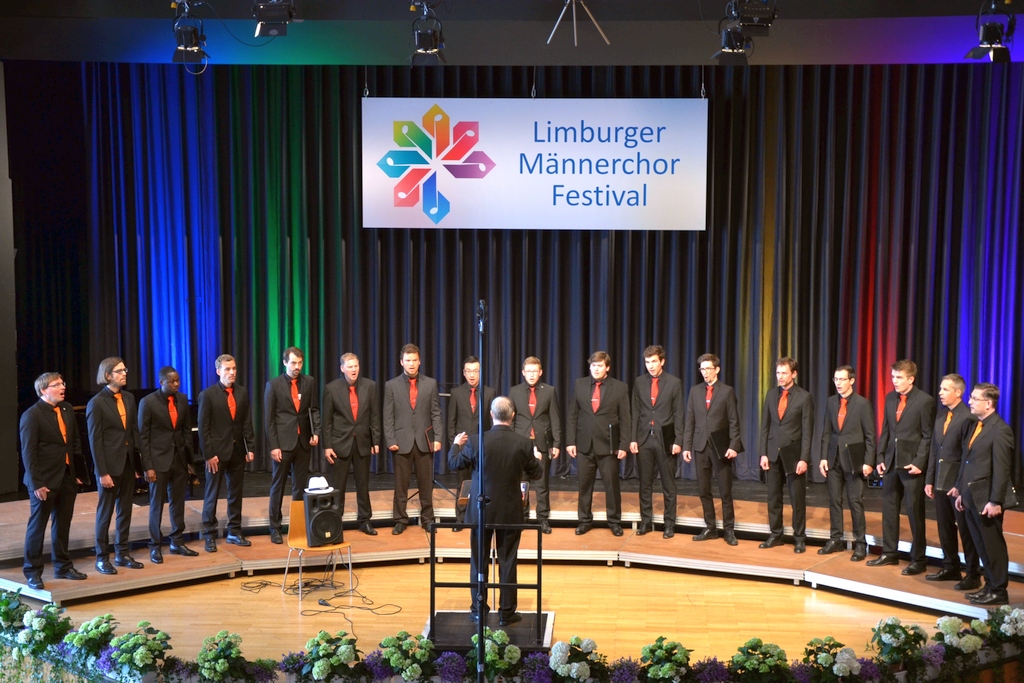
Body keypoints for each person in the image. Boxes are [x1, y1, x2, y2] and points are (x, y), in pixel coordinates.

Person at [448, 396, 542, 626]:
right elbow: (536, 473)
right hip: (509, 512)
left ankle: (478, 609)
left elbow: (454, 464)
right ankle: (507, 612)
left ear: (491, 415)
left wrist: (455, 444)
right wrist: (538, 458)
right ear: (512, 416)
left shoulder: (478, 441)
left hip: (482, 510)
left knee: (478, 561)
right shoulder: (523, 443)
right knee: (508, 560)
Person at [867, 359, 935, 574]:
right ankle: (889, 553)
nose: (894, 381)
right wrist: (880, 457)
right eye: (893, 377)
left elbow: (927, 436)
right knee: (889, 509)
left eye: (899, 378)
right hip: (890, 463)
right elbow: (886, 430)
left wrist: (919, 463)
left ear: (911, 379)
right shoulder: (890, 398)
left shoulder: (925, 401)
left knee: (915, 512)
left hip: (912, 465)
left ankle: (919, 559)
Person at [21, 372, 87, 589]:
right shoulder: (32, 415)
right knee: (38, 526)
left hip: (67, 476)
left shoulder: (67, 409)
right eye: (56, 384)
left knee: (63, 523)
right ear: (43, 390)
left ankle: (63, 566)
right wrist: (36, 483)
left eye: (62, 383)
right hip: (44, 481)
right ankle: (32, 571)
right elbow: (28, 453)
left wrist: (76, 472)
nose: (62, 387)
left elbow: (74, 442)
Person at [955, 383, 1014, 605]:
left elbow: (1001, 469)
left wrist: (995, 500)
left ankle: (999, 590)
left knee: (992, 545)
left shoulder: (1000, 430)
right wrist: (961, 491)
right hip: (971, 497)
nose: (970, 401)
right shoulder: (976, 426)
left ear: (988, 403)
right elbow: (968, 461)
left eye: (975, 398)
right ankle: (989, 585)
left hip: (987, 499)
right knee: (981, 545)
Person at [923, 374, 981, 588]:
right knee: (944, 526)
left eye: (945, 389)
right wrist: (929, 479)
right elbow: (933, 450)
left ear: (958, 392)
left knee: (965, 529)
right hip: (940, 480)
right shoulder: (941, 416)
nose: (940, 392)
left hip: (957, 483)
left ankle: (973, 573)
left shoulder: (968, 417)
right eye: (940, 388)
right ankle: (950, 567)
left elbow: (967, 456)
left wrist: (959, 485)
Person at [87, 357, 143, 574]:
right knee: (105, 513)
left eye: (125, 369)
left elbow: (133, 433)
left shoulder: (129, 398)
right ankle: (102, 557)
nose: (124, 373)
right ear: (108, 375)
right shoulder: (97, 402)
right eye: (119, 371)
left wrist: (138, 463)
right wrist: (102, 471)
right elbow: (95, 440)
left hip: (127, 463)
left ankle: (122, 553)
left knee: (125, 510)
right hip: (109, 467)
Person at [566, 351, 631, 537]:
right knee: (584, 486)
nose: (596, 369)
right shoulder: (580, 384)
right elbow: (572, 415)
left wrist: (624, 444)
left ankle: (614, 521)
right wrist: (571, 441)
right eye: (593, 365)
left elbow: (626, 419)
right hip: (584, 445)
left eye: (600, 365)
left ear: (607, 368)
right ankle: (584, 520)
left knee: (611, 486)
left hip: (609, 445)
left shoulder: (619, 388)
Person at [138, 366, 198, 563]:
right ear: (161, 382)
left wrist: (189, 461)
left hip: (179, 460)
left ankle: (177, 542)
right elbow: (143, 438)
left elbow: (186, 431)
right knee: (157, 504)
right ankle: (155, 546)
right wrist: (148, 466)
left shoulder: (181, 399)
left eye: (178, 380)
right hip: (158, 462)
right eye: (172, 381)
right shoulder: (148, 403)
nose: (177, 384)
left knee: (178, 502)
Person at [682, 353, 742, 545]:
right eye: (702, 369)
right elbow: (690, 420)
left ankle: (729, 529)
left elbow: (734, 421)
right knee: (703, 489)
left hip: (721, 447)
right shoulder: (695, 391)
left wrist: (734, 445)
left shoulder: (727, 391)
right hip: (700, 446)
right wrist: (687, 446)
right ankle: (710, 527)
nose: (705, 372)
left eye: (708, 368)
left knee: (725, 490)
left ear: (717, 369)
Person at [383, 343, 443, 534]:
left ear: (420, 362)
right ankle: (400, 519)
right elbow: (388, 415)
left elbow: (436, 413)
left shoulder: (430, 383)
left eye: (414, 360)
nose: (411, 364)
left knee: (426, 484)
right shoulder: (391, 385)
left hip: (425, 441)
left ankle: (427, 519)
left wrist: (438, 437)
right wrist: (390, 439)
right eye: (407, 360)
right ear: (401, 362)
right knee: (401, 484)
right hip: (401, 442)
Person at [198, 354, 256, 552]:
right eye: (227, 369)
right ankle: (209, 534)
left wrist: (250, 447)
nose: (232, 372)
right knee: (212, 494)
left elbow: (246, 422)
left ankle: (234, 531)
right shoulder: (208, 395)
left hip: (237, 451)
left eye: (234, 369)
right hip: (216, 453)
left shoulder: (241, 392)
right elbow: (203, 428)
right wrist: (208, 454)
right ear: (218, 371)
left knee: (235, 493)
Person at [817, 365, 875, 561]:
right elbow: (826, 432)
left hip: (854, 460)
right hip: (834, 458)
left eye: (842, 379)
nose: (838, 384)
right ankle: (835, 539)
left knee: (855, 501)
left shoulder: (862, 404)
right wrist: (823, 457)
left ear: (852, 380)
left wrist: (869, 461)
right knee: (834, 500)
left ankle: (860, 543)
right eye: (836, 379)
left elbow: (870, 435)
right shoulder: (831, 402)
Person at [758, 357, 813, 553]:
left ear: (794, 374)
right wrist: (763, 453)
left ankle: (799, 538)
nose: (780, 377)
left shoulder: (804, 397)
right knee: (773, 497)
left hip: (794, 455)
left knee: (797, 498)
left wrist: (804, 458)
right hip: (772, 453)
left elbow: (807, 431)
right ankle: (776, 534)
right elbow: (765, 426)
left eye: (784, 373)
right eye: (778, 373)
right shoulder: (771, 394)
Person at [265, 346, 320, 545]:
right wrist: (274, 446)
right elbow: (269, 419)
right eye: (293, 363)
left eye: (300, 363)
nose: (297, 367)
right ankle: (275, 527)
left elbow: (313, 409)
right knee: (278, 485)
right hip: (283, 443)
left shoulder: (309, 382)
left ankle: (297, 525)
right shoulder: (274, 385)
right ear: (285, 363)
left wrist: (315, 432)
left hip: (303, 441)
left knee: (300, 487)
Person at [322, 353, 381, 535]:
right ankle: (335, 522)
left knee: (363, 484)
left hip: (362, 442)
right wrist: (328, 446)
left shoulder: (370, 386)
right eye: (350, 366)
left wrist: (375, 440)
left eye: (356, 366)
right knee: (338, 486)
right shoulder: (332, 389)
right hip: (340, 444)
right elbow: (327, 421)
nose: (353, 369)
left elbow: (374, 416)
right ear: (342, 368)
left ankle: (365, 520)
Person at [629, 345, 684, 538]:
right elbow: (634, 412)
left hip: (665, 440)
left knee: (668, 484)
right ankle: (646, 521)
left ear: (662, 361)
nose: (650, 366)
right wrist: (633, 438)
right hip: (644, 438)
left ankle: (669, 523)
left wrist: (678, 440)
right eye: (647, 362)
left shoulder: (674, 383)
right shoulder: (639, 382)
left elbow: (678, 414)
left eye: (654, 361)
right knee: (645, 483)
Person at [509, 357, 561, 534]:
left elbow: (555, 418)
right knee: (521, 482)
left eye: (535, 371)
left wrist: (556, 443)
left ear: (540, 372)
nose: (531, 375)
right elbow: (511, 419)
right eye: (528, 371)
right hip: (520, 443)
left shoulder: (549, 391)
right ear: (523, 373)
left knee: (541, 483)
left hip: (542, 443)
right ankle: (522, 516)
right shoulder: (514, 391)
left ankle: (543, 518)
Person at [447, 355, 496, 530]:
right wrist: (456, 445)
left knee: (484, 482)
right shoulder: (456, 393)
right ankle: (460, 519)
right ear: (464, 373)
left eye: (475, 371)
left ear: (480, 372)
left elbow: (493, 423)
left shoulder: (489, 392)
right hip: (464, 447)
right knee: (462, 483)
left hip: (483, 447)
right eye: (469, 371)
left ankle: (481, 518)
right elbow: (451, 421)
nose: (472, 375)